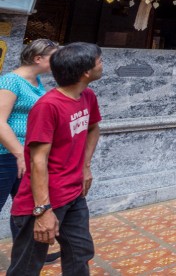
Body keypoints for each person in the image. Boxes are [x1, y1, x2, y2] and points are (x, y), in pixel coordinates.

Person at [8, 42, 102, 276]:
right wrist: (43, 211)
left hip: (73, 194)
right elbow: (37, 161)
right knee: (27, 265)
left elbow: (93, 128)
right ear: (86, 72)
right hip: (42, 200)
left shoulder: (87, 96)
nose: (102, 64)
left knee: (80, 252)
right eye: (99, 61)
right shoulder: (48, 106)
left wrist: (85, 166)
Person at [0, 40, 56, 241]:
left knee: (25, 206)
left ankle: (25, 252)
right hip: (6, 155)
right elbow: (0, 121)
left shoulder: (37, 82)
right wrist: (18, 153)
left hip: (26, 153)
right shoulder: (10, 81)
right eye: (53, 57)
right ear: (37, 58)